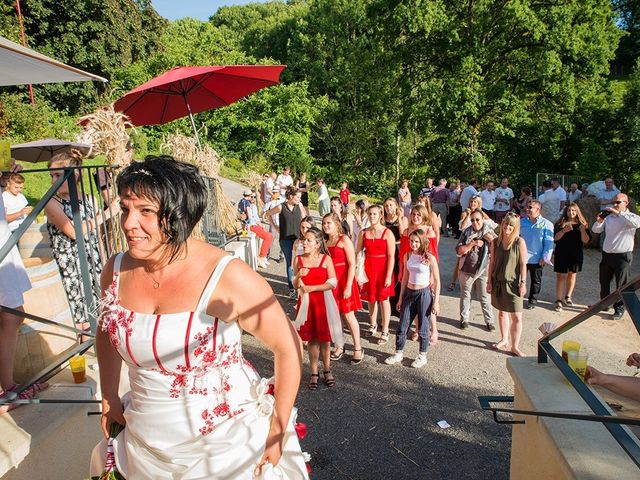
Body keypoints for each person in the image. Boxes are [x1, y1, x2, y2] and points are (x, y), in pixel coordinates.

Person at [92, 156, 308, 479]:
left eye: (145, 212)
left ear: (178, 215)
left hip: (225, 451)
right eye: (125, 209)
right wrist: (109, 394)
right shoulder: (116, 271)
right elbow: (107, 333)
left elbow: (288, 348)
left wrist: (277, 428)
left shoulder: (227, 277)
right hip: (142, 448)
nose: (127, 223)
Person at [45, 149, 106, 330]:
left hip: (92, 258)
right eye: (51, 176)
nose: (54, 181)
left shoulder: (88, 199)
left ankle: (100, 341)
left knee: (100, 304)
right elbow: (73, 232)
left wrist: (103, 258)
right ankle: (84, 344)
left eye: (58, 175)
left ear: (75, 175)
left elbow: (96, 234)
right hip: (71, 263)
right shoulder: (51, 202)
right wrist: (106, 214)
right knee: (80, 310)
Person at [0, 164, 43, 415]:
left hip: (4, 243)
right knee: (13, 313)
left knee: (13, 313)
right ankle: (6, 384)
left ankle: (7, 382)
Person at [293, 226, 341, 391]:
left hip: (322, 302)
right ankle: (314, 371)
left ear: (317, 244)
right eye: (304, 239)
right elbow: (294, 284)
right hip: (306, 303)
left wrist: (313, 288)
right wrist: (299, 276)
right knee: (311, 338)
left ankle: (327, 369)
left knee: (324, 338)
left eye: (308, 240)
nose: (304, 243)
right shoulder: (298, 259)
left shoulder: (325, 259)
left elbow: (333, 282)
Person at [384, 229, 440, 369]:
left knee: (423, 326)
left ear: (422, 242)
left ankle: (422, 355)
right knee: (403, 324)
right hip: (409, 292)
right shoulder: (407, 255)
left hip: (424, 293)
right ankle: (399, 352)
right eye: (411, 241)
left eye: (416, 241)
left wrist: (436, 301)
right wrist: (400, 298)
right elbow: (404, 278)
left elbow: (438, 281)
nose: (413, 244)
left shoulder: (429, 258)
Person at [323, 213, 364, 364]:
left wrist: (347, 286)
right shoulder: (325, 242)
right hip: (331, 283)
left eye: (328, 223)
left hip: (345, 282)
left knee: (348, 316)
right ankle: (339, 346)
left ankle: (358, 348)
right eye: (324, 223)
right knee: (334, 317)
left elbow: (352, 263)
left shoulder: (344, 239)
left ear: (336, 224)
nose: (325, 226)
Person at [591, 193, 640, 320]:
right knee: (604, 282)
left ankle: (619, 309)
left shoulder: (631, 216)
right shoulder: (609, 217)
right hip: (607, 255)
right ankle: (604, 305)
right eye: (614, 202)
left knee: (621, 285)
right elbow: (596, 230)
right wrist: (599, 221)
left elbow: (636, 224)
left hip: (622, 256)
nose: (615, 205)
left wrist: (619, 214)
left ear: (626, 203)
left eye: (618, 202)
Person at [487, 213, 528, 356]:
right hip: (498, 282)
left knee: (517, 316)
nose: (507, 227)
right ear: (502, 224)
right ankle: (504, 339)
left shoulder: (519, 242)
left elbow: (523, 264)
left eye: (511, 225)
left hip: (514, 284)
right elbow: (491, 263)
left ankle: (514, 346)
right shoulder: (495, 242)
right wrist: (488, 281)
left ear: (515, 227)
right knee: (502, 312)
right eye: (506, 224)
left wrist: (523, 282)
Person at [399, 204, 440, 344]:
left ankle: (433, 330)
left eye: (418, 215)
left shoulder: (429, 231)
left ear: (423, 217)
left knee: (428, 302)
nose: (415, 217)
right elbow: (403, 253)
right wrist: (403, 270)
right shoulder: (406, 231)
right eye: (413, 214)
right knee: (413, 302)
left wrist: (431, 276)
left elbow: (433, 254)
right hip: (410, 269)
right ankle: (417, 328)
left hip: (425, 272)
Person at [356, 205, 395, 345]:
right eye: (370, 214)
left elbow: (391, 256)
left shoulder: (387, 233)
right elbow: (357, 252)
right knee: (371, 299)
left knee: (384, 300)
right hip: (369, 268)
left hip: (383, 269)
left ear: (380, 216)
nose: (372, 216)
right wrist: (358, 272)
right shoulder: (363, 233)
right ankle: (373, 325)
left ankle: (385, 330)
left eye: (375, 214)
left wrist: (388, 275)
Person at [456, 209, 497, 330]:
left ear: (482, 219)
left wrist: (486, 240)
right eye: (472, 220)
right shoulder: (466, 233)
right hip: (467, 268)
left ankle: (490, 321)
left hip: (484, 268)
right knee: (465, 294)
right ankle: (464, 319)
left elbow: (497, 247)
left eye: (477, 219)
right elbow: (458, 251)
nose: (475, 222)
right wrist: (471, 244)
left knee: (484, 297)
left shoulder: (489, 232)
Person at [265, 186, 308, 298]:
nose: (299, 199)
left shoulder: (299, 205)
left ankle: (300, 287)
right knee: (290, 264)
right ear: (290, 196)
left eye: (300, 197)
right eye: (298, 197)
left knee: (301, 264)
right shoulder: (281, 207)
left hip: (299, 239)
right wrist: (275, 227)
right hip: (285, 240)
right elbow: (267, 214)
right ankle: (292, 290)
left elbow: (305, 219)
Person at [552, 203, 591, 311]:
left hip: (575, 253)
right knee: (561, 276)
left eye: (573, 210)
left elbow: (586, 241)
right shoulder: (560, 223)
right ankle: (558, 300)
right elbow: (555, 238)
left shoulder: (582, 224)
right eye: (569, 210)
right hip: (561, 252)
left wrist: (583, 230)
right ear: (566, 212)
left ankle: (568, 296)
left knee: (572, 275)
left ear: (577, 212)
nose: (571, 212)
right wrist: (564, 230)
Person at [519, 200, 554, 309]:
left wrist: (545, 257)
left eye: (530, 207)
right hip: (522, 257)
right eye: (527, 207)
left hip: (537, 258)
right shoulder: (521, 222)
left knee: (536, 280)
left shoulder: (546, 224)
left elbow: (549, 242)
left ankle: (532, 300)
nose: (527, 209)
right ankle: (518, 298)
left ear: (538, 210)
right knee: (519, 279)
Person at [383, 197, 408, 315]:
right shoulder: (382, 219)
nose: (389, 208)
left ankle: (398, 306)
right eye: (386, 206)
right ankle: (387, 305)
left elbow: (403, 235)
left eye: (391, 205)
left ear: (396, 206)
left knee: (398, 276)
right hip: (385, 252)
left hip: (398, 251)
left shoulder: (403, 219)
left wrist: (399, 219)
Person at [240, 189, 273, 269]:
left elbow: (257, 219)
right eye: (251, 197)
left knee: (269, 236)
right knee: (268, 236)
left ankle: (263, 256)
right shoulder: (245, 205)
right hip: (250, 226)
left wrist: (262, 226)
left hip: (254, 225)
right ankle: (261, 257)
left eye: (254, 197)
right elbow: (247, 218)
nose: (253, 198)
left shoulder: (254, 206)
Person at [263, 187, 285, 262]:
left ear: (279, 193)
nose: (274, 194)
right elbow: (265, 210)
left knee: (282, 240)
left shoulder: (283, 200)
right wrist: (269, 202)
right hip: (273, 223)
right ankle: (268, 254)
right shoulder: (270, 200)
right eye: (273, 192)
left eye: (276, 193)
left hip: (282, 223)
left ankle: (282, 256)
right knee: (271, 239)